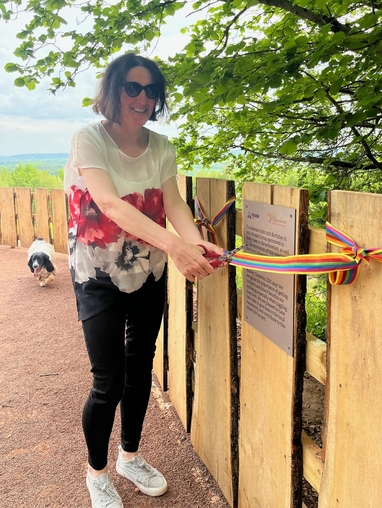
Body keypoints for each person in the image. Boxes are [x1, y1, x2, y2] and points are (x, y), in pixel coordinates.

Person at [64, 52, 222, 508]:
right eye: (132, 87)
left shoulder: (161, 147)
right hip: (96, 273)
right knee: (107, 380)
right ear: (112, 91)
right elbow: (111, 204)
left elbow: (174, 206)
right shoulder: (87, 140)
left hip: (146, 271)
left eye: (151, 90)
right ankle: (96, 473)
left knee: (140, 371)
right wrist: (177, 248)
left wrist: (196, 242)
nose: (142, 97)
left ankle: (129, 456)